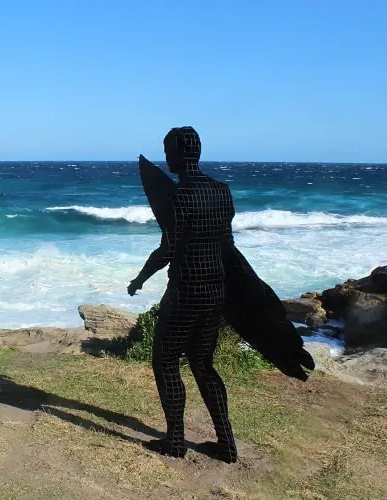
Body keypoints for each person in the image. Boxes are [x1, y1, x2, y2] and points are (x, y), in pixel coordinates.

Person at [128, 127, 238, 463]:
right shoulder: (222, 191)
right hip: (215, 290)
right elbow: (228, 247)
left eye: (167, 150)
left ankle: (175, 441)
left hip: (186, 290)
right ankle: (227, 444)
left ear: (176, 153)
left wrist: (140, 278)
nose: (166, 157)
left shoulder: (180, 195)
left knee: (165, 362)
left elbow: (169, 248)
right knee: (204, 365)